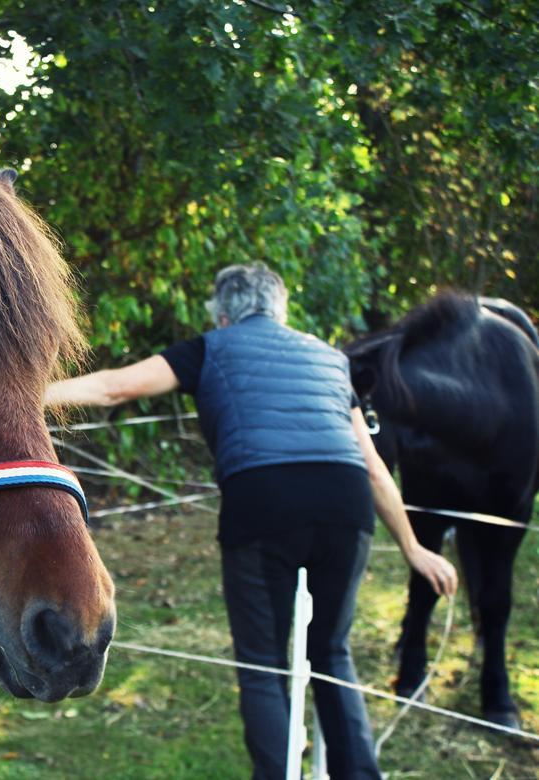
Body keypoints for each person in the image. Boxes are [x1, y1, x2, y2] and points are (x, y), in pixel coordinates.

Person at [45, 262, 457, 780]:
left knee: (263, 664)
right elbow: (374, 467)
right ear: (282, 311)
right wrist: (414, 548)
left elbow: (114, 388)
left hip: (264, 503)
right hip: (345, 506)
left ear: (222, 316)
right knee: (333, 651)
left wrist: (31, 396)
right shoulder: (331, 359)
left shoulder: (213, 347)